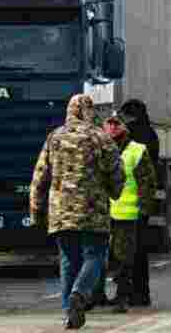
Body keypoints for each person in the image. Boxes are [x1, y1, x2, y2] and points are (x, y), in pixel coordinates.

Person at [30, 94, 123, 330]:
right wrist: (115, 192)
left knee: (68, 260)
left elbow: (40, 176)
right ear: (90, 112)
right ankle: (79, 294)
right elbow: (116, 172)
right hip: (93, 210)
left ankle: (69, 314)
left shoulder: (54, 137)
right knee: (95, 255)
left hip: (61, 212)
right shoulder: (100, 138)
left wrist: (36, 210)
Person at [102, 111, 158, 314]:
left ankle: (123, 296)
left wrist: (144, 209)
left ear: (124, 127)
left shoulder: (136, 150)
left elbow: (147, 183)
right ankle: (100, 295)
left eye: (117, 124)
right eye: (109, 123)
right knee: (104, 257)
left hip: (128, 214)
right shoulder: (101, 149)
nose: (113, 127)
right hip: (103, 213)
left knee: (124, 258)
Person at [117, 99, 160, 307]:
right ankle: (142, 292)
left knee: (125, 251)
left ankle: (128, 292)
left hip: (125, 203)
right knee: (140, 250)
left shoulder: (130, 138)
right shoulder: (151, 135)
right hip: (141, 202)